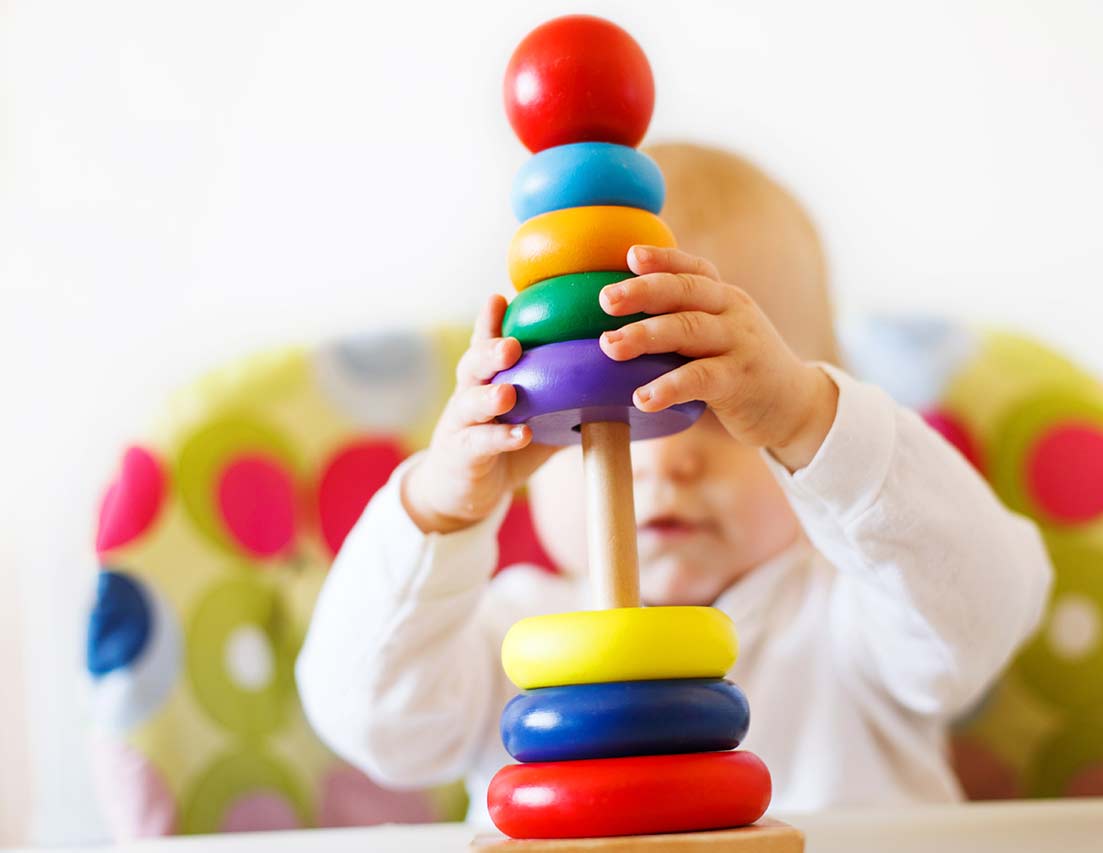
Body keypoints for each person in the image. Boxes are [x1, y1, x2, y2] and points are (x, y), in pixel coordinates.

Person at [296, 143, 1052, 822]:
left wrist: (811, 416)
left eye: (726, 410)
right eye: (597, 419)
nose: (663, 458)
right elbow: (366, 717)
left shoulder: (858, 612)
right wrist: (437, 510)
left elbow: (989, 600)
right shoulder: (513, 641)